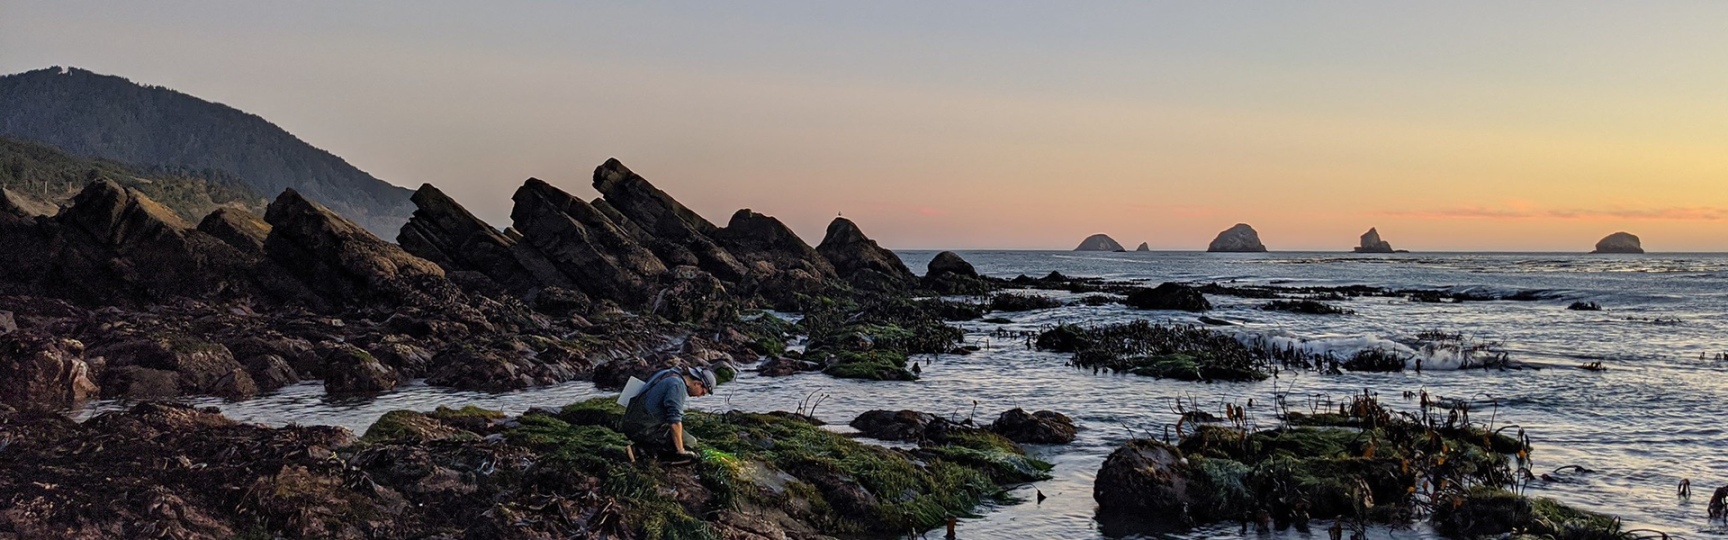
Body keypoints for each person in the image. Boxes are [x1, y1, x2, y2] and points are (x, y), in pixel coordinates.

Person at [621, 365, 716, 463]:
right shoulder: (677, 385)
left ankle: (645, 450)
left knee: (678, 436)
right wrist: (681, 450)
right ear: (697, 383)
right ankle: (639, 451)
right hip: (642, 427)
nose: (700, 396)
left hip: (630, 421)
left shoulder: (667, 373)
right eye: (703, 393)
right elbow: (674, 421)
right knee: (690, 442)